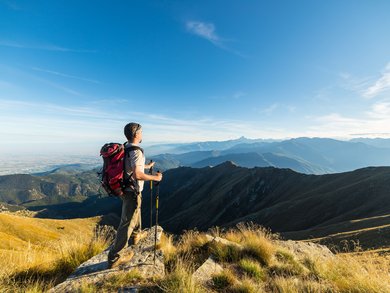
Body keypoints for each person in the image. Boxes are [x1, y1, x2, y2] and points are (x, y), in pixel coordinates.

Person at [107, 122, 162, 268]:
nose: (142, 134)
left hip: (125, 189)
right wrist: (155, 178)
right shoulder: (136, 151)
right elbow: (137, 174)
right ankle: (114, 257)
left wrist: (147, 167)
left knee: (135, 212)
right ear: (136, 134)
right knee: (126, 223)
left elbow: (130, 166)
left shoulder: (126, 147)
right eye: (142, 132)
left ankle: (136, 234)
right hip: (132, 191)